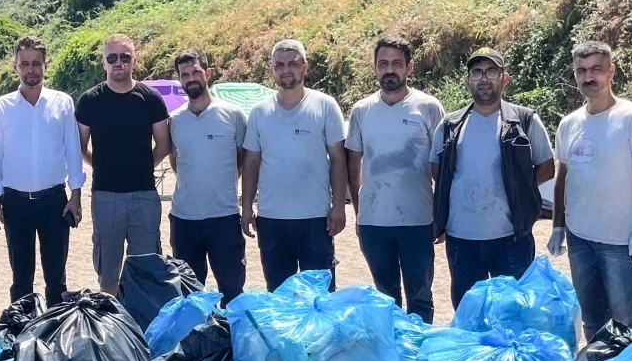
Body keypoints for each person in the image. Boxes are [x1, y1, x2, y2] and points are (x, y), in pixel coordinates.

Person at [548, 40, 632, 341]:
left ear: (611, 71)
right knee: (592, 319)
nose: (589, 77)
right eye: (581, 71)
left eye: (596, 69)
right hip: (580, 239)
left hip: (621, 242)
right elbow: (564, 177)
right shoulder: (569, 124)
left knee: (627, 323)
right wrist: (559, 226)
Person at [429, 47, 554, 308]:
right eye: (477, 72)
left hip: (511, 237)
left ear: (504, 78)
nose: (484, 79)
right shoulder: (450, 124)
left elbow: (546, 166)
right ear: (467, 81)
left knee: (513, 311)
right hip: (461, 238)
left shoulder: (524, 120)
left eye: (491, 72)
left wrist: (520, 190)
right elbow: (436, 169)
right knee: (468, 311)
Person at [345, 37, 445, 322]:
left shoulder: (428, 107)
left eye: (397, 64)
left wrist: (441, 213)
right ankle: (393, 356)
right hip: (374, 223)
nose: (390, 70)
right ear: (375, 68)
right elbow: (354, 165)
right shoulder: (361, 111)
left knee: (420, 296)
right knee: (385, 298)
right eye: (383, 64)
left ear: (409, 67)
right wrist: (359, 211)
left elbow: (442, 165)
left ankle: (417, 353)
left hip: (418, 220)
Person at [240, 39, 348, 290]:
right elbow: (252, 161)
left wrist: (338, 206)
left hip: (316, 219)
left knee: (319, 297)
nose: (286, 69)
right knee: (279, 295)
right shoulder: (259, 112)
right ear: (272, 69)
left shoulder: (325, 105)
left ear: (305, 67)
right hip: (271, 219)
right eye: (279, 64)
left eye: (293, 63)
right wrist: (246, 207)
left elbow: (339, 158)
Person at [0, 36, 84, 305]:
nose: (31, 70)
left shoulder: (62, 102)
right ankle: (21, 335)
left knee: (56, 278)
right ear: (15, 67)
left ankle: (55, 332)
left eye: (36, 64)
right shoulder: (2, 107)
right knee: (21, 279)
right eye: (25, 64)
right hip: (15, 203)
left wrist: (76, 195)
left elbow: (73, 149)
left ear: (45, 65)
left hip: (55, 202)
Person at [74, 34, 170, 295]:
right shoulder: (90, 101)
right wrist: (102, 165)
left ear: (134, 61)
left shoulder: (150, 98)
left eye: (125, 57)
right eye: (112, 58)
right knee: (108, 270)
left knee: (146, 268)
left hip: (145, 195)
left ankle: (141, 326)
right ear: (103, 62)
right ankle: (113, 327)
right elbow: (80, 148)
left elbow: (163, 144)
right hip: (106, 197)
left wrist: (141, 166)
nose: (119, 63)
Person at [166, 49, 247, 303]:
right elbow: (176, 160)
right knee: (189, 295)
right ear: (179, 80)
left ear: (208, 74)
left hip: (224, 218)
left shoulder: (233, 116)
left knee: (232, 291)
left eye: (196, 72)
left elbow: (242, 159)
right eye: (185, 74)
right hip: (184, 220)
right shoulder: (174, 121)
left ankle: (231, 342)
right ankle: (195, 343)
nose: (191, 78)